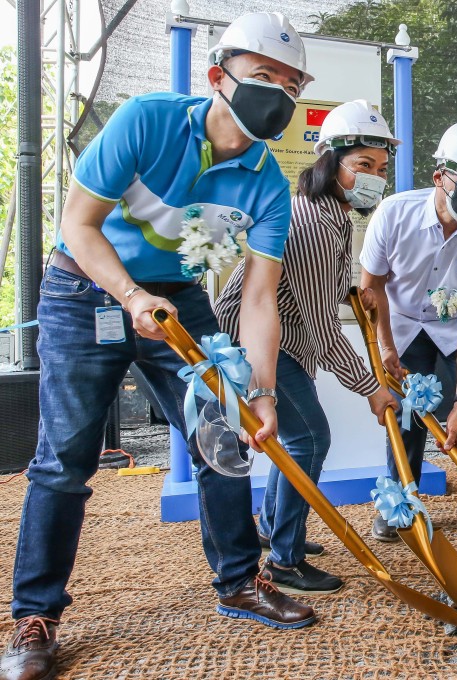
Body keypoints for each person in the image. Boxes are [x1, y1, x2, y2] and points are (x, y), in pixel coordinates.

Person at [0, 12, 320, 680]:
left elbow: (260, 298)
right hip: (86, 287)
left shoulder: (266, 182)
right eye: (264, 76)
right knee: (65, 459)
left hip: (180, 295)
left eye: (292, 85)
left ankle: (238, 579)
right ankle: (36, 617)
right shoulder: (146, 120)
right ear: (217, 78)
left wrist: (258, 394)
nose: (279, 94)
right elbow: (78, 226)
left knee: (224, 436)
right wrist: (129, 295)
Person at [214, 100, 400, 594]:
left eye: (382, 169)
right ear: (328, 162)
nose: (374, 179)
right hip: (252, 343)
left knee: (295, 441)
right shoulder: (313, 223)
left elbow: (322, 289)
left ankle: (278, 531)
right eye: (363, 165)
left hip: (287, 341)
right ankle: (284, 561)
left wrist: (349, 291)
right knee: (309, 438)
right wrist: (371, 388)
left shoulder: (335, 216)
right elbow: (321, 328)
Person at [360, 120, 457, 549]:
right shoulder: (394, 213)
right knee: (405, 412)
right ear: (439, 176)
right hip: (403, 322)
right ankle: (400, 498)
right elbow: (371, 288)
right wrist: (385, 347)